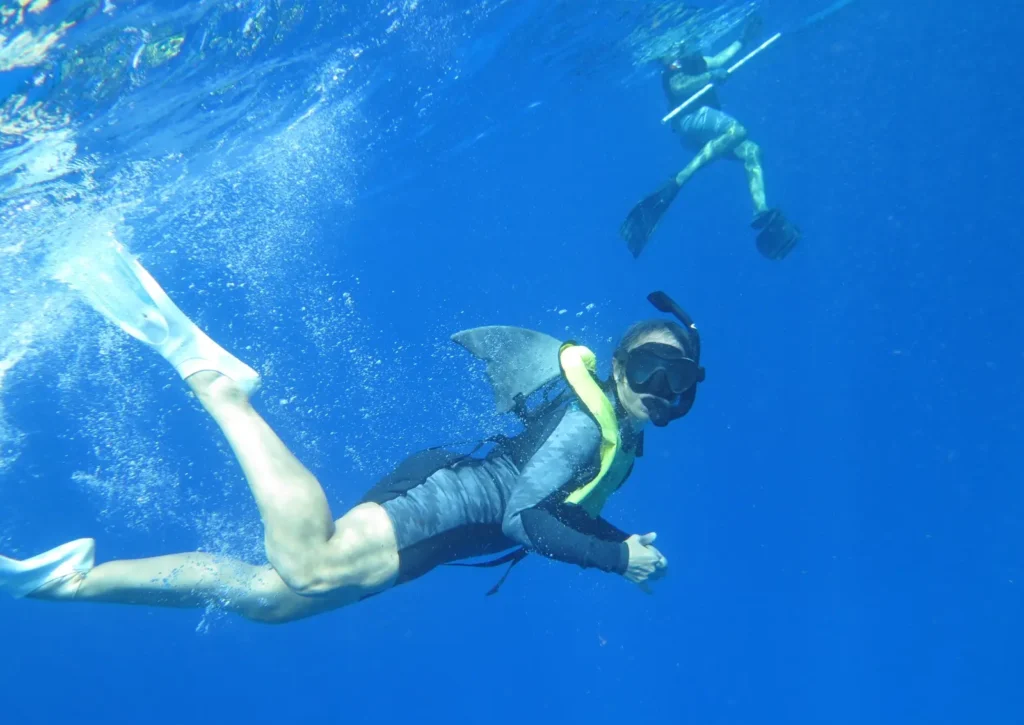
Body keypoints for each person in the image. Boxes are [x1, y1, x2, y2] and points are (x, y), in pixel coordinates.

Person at [0, 254, 706, 624]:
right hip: (447, 501)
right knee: (308, 565)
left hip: (452, 533)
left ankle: (74, 583)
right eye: (650, 370)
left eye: (680, 383)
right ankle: (223, 391)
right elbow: (526, 515)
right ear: (619, 366)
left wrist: (621, 543)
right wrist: (615, 557)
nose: (661, 391)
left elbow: (560, 506)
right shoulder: (586, 420)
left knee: (271, 599)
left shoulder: (622, 438)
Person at [620, 14, 801, 261]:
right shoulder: (674, 64)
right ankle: (680, 179)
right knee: (737, 131)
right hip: (689, 121)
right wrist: (710, 76)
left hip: (705, 127)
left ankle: (761, 210)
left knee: (752, 151)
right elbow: (679, 87)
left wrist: (743, 40)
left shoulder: (694, 59)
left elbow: (718, 59)